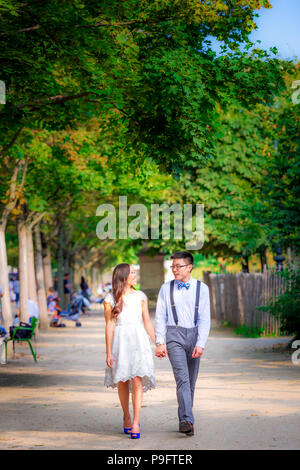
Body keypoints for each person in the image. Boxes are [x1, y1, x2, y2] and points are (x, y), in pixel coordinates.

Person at [154, 251, 211, 437]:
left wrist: (201, 343)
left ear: (190, 267)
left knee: (191, 382)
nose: (175, 270)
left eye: (178, 266)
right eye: (173, 266)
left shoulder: (202, 289)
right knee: (182, 379)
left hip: (194, 334)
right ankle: (187, 419)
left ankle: (185, 419)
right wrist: (160, 341)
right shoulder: (165, 288)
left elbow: (204, 318)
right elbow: (160, 317)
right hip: (174, 334)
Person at [104, 263, 156, 439]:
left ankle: (135, 421)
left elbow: (147, 321)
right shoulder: (110, 299)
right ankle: (126, 415)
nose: (135, 275)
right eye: (132, 273)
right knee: (123, 380)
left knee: (137, 379)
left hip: (139, 341)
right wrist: (108, 352)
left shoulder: (141, 296)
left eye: (135, 273)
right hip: (121, 342)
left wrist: (158, 342)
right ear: (123, 276)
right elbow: (109, 325)